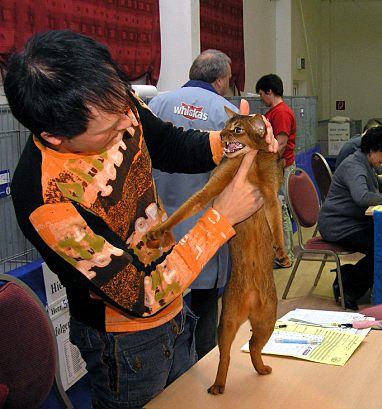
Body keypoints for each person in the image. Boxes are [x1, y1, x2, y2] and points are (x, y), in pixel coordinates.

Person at [4, 30, 277, 409]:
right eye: (107, 130)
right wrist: (221, 218)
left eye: (124, 109)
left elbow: (165, 143)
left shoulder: (112, 103)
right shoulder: (47, 202)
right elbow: (141, 295)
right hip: (126, 342)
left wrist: (233, 142)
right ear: (54, 137)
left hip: (176, 306)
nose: (125, 126)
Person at [148, 49, 238, 359]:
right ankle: (201, 369)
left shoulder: (155, 105)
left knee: (164, 309)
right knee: (204, 307)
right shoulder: (227, 113)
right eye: (228, 78)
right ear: (218, 80)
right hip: (204, 230)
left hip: (158, 228)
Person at [318, 126, 382, 310]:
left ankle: (348, 275)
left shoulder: (366, 163)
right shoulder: (354, 166)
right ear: (373, 150)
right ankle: (349, 287)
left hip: (353, 222)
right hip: (339, 225)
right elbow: (362, 197)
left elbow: (377, 184)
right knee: (380, 249)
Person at [255, 73, 296, 267]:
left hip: (280, 168)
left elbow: (280, 143)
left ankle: (285, 256)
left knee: (280, 211)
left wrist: (266, 164)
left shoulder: (281, 113)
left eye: (261, 94)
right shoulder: (275, 111)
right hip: (275, 167)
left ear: (269, 92)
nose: (261, 98)